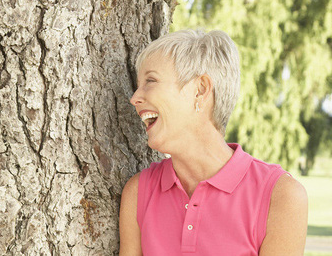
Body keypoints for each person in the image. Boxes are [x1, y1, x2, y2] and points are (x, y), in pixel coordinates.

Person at [119, 29, 307, 255]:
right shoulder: (139, 192)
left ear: (200, 90)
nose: (134, 98)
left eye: (150, 80)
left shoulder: (280, 196)